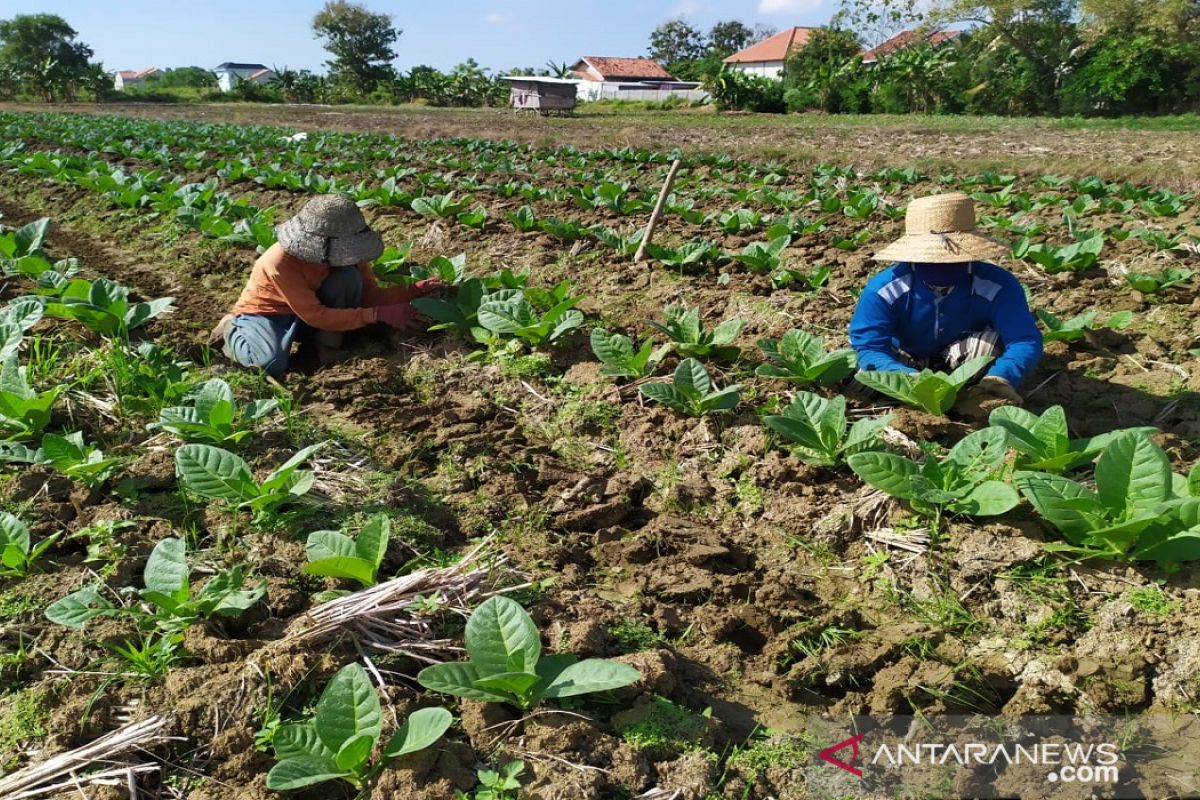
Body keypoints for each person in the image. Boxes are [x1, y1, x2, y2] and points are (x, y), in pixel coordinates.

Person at [849, 192, 1043, 412]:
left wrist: (1002, 376)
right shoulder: (885, 289)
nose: (941, 266)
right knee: (857, 373)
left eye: (952, 258)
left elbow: (1024, 339)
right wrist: (908, 379)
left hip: (965, 361)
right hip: (904, 361)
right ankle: (911, 407)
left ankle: (971, 399)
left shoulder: (997, 285)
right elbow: (869, 346)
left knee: (987, 347)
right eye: (931, 259)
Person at [210, 194, 443, 377]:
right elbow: (315, 315)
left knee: (348, 279)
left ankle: (326, 348)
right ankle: (232, 329)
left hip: (308, 317)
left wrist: (412, 291)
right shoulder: (279, 262)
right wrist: (377, 314)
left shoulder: (351, 257)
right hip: (267, 315)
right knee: (269, 364)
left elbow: (369, 296)